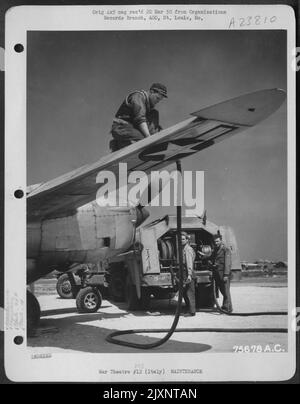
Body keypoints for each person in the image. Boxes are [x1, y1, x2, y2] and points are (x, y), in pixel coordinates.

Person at [109, 83, 167, 152]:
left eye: (160, 100)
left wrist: (161, 139)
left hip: (133, 129)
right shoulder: (138, 96)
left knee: (154, 113)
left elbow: (152, 128)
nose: (158, 101)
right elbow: (140, 118)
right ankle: (118, 144)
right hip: (121, 127)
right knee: (143, 141)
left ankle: (122, 146)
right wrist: (149, 139)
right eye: (157, 98)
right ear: (152, 91)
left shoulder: (151, 109)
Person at [211, 233, 233, 313]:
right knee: (223, 291)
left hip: (224, 274)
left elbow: (228, 263)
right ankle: (225, 306)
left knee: (226, 291)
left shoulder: (225, 249)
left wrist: (226, 275)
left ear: (221, 240)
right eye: (215, 242)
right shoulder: (216, 249)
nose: (216, 243)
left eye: (217, 241)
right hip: (218, 273)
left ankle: (228, 308)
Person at [181, 232, 196, 316]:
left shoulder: (188, 249)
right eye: (180, 239)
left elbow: (189, 263)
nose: (181, 241)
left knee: (190, 292)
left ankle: (192, 311)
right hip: (184, 273)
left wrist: (189, 275)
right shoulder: (183, 249)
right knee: (185, 292)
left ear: (187, 240)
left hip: (188, 273)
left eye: (183, 239)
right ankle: (188, 309)